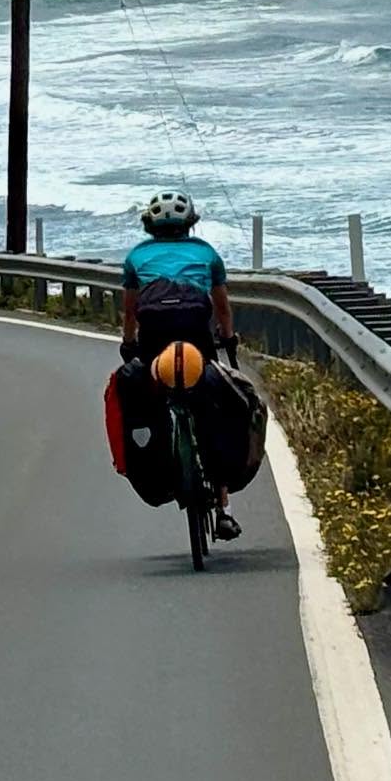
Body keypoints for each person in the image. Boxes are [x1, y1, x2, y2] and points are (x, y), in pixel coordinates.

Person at [119, 190, 241, 540]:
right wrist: (228, 338)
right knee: (214, 409)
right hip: (195, 342)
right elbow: (222, 309)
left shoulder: (136, 257)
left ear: (149, 225)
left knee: (148, 400)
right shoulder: (206, 253)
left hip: (155, 342)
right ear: (191, 224)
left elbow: (130, 312)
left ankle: (157, 464)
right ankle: (224, 509)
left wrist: (129, 344)